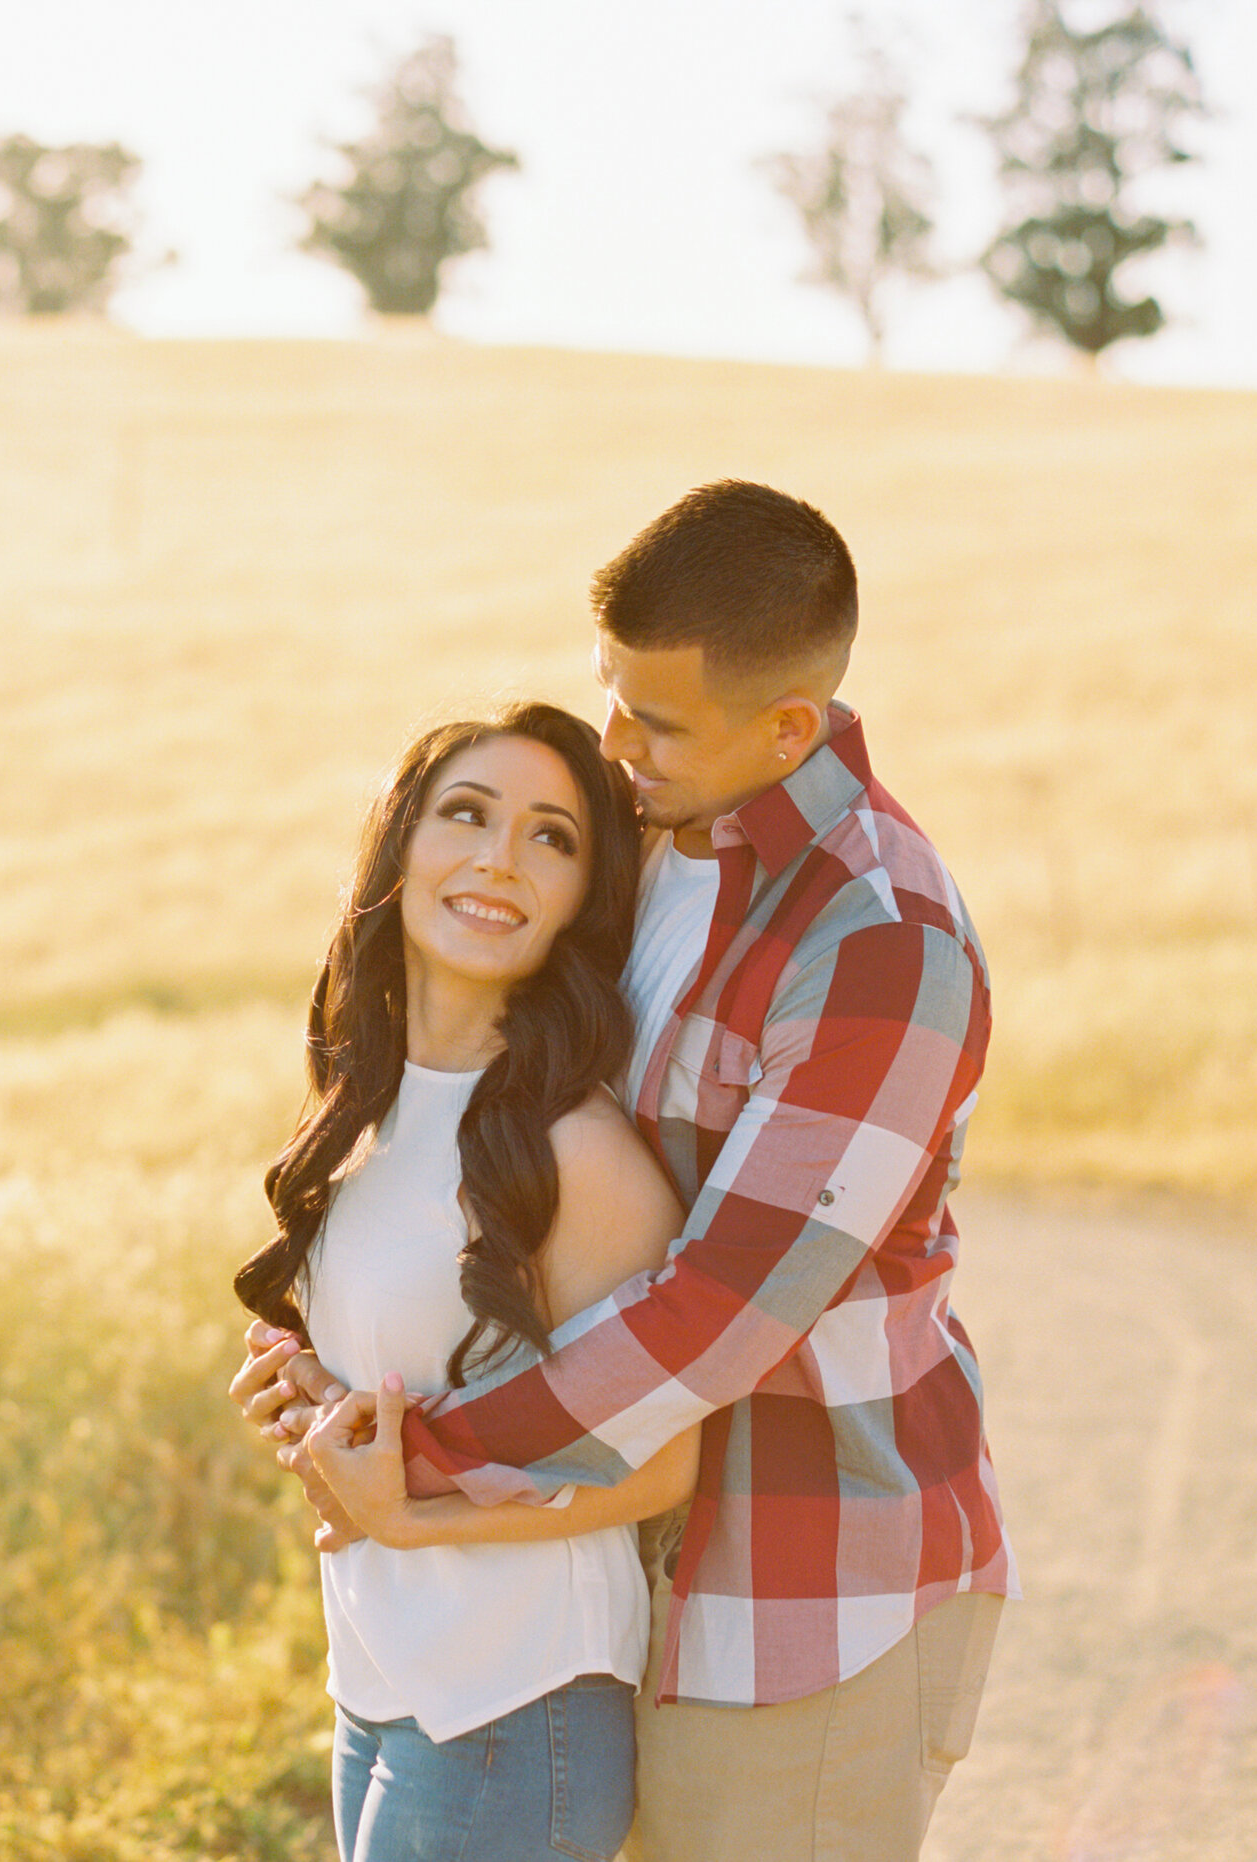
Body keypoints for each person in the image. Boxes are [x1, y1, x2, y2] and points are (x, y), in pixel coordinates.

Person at [236, 481, 1014, 1862]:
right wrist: (332, 1352)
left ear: (788, 727)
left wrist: (420, 1460)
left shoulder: (878, 946)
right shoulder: (648, 841)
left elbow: (716, 1310)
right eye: (611, 692)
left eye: (654, 719)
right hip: (606, 1571)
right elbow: (488, 1113)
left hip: (800, 1588)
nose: (613, 743)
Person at [229, 701, 702, 1862]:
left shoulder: (575, 1153)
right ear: (402, 845)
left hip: (515, 1697)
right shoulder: (364, 1108)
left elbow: (663, 1463)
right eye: (468, 813)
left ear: (580, 896)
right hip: (383, 1679)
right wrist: (303, 1389)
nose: (500, 856)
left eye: (551, 836)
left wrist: (415, 1515)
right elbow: (403, 1367)